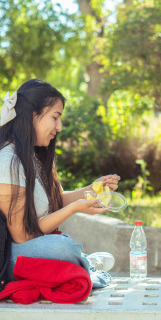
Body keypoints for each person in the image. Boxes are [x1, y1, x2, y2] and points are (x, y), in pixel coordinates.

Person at [0, 79, 121, 288]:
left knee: (62, 245)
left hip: (38, 245)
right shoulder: (8, 162)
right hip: (12, 255)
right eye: (55, 117)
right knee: (61, 248)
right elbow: (22, 236)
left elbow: (56, 200)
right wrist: (75, 208)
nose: (60, 127)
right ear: (31, 116)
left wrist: (91, 190)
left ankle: (82, 263)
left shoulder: (38, 156)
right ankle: (86, 263)